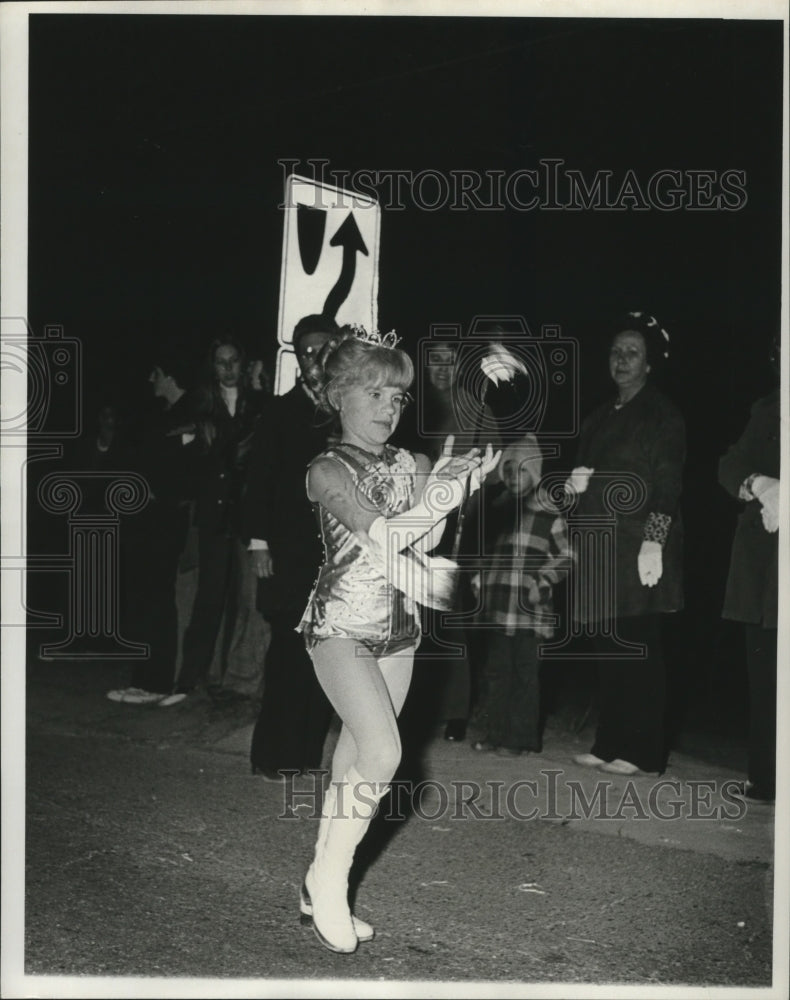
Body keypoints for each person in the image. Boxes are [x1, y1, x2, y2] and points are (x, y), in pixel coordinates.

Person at [296, 326, 499, 954]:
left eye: (398, 398)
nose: (389, 408)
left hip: (401, 632)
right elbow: (382, 536)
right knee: (384, 755)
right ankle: (330, 883)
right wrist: (444, 493)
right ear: (338, 395)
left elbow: (424, 544)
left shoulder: (410, 462)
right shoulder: (324, 471)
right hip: (339, 628)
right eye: (375, 393)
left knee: (352, 762)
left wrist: (444, 485)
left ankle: (315, 886)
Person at [568, 312, 685, 776]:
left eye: (632, 353)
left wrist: (654, 542)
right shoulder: (600, 415)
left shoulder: (662, 415)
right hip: (600, 548)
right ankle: (610, 742)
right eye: (616, 352)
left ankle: (644, 751)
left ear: (650, 364)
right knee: (608, 647)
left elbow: (667, 486)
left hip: (638, 549)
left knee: (638, 648)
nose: (621, 360)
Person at [244, 314, 339, 779]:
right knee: (287, 651)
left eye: (325, 349)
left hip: (337, 554)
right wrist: (259, 542)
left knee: (327, 651)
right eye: (307, 352)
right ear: (297, 360)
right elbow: (258, 481)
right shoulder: (280, 413)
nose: (316, 359)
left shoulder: (348, 409)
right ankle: (272, 755)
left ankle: (305, 754)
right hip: (289, 551)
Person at [171, 336, 265, 702]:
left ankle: (236, 680)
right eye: (220, 361)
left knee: (247, 602)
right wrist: (194, 441)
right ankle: (190, 678)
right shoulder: (198, 404)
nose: (227, 368)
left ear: (243, 364)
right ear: (212, 366)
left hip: (247, 517)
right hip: (213, 516)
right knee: (208, 600)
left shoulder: (258, 405)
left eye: (233, 360)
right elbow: (174, 450)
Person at [471, 434, 572, 755]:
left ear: (537, 472)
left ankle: (519, 738)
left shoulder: (547, 509)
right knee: (496, 672)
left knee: (525, 676)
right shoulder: (500, 508)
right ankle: (493, 733)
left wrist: (541, 580)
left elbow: (568, 556)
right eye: (509, 470)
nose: (514, 477)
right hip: (499, 607)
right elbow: (488, 552)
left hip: (530, 610)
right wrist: (479, 576)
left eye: (522, 470)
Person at [107, 349, 197, 705]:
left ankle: (154, 683)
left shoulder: (190, 414)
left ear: (170, 376)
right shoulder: (167, 416)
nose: (150, 380)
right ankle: (146, 680)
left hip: (165, 523)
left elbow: (174, 470)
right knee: (149, 599)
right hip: (152, 520)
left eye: (155, 373)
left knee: (156, 601)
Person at [718, 336, 780, 804]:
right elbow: (730, 462)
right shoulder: (769, 407)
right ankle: (766, 776)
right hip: (764, 566)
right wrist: (759, 483)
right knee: (765, 668)